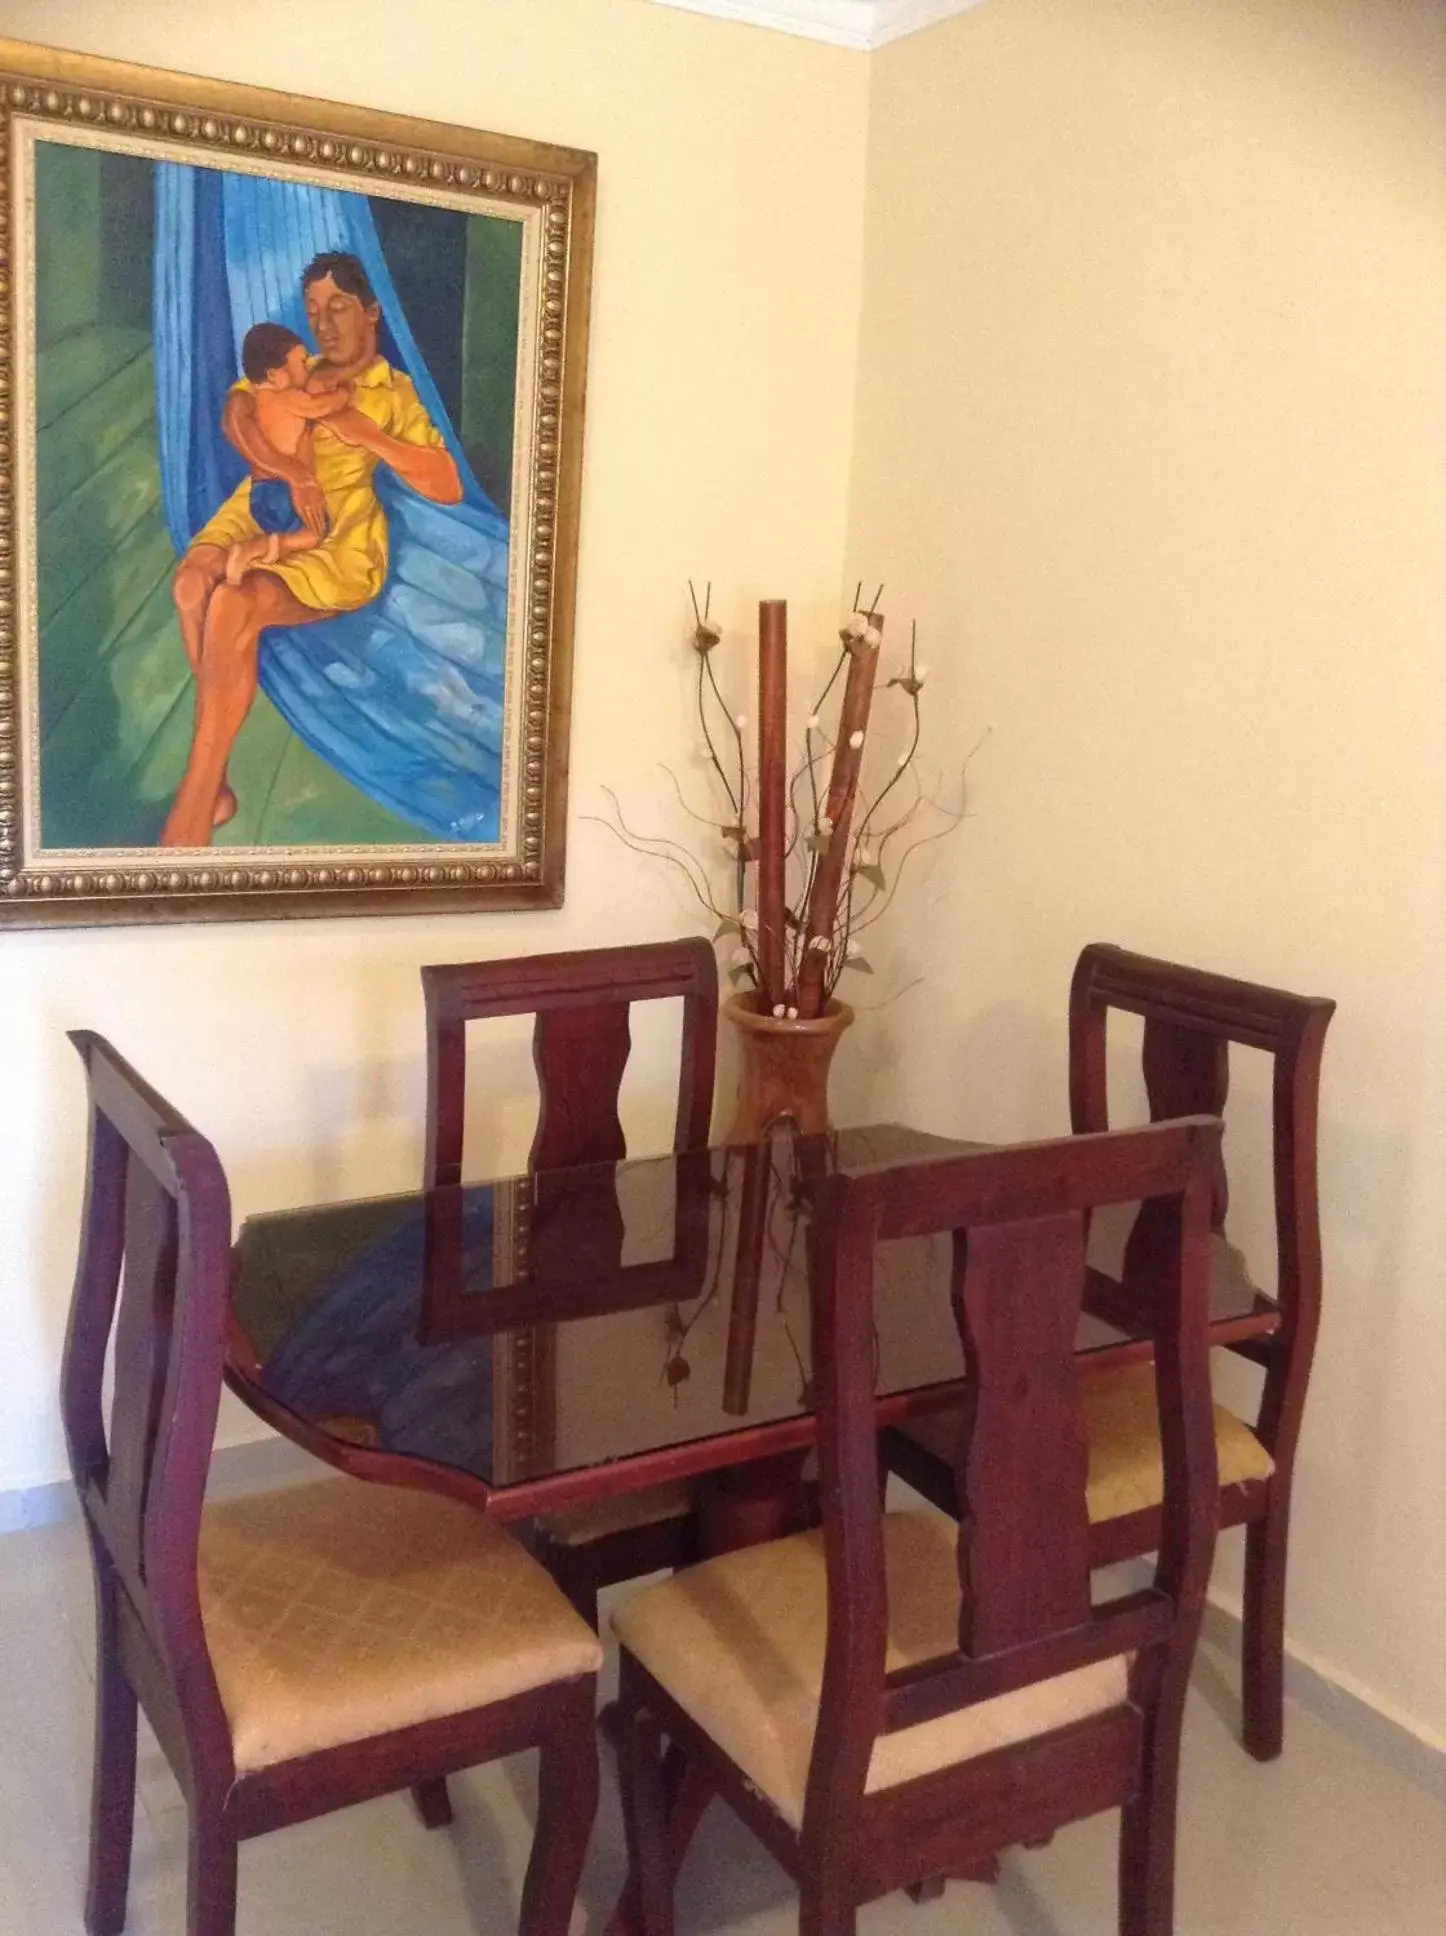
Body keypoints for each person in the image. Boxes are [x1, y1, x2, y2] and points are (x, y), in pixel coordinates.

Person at [161, 252, 462, 846]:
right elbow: (235, 410)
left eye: (339, 307)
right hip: (259, 502)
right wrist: (281, 467)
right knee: (190, 584)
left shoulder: (392, 391)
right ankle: (216, 780)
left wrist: (368, 434)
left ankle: (193, 809)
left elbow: (447, 485)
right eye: (314, 311)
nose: (323, 323)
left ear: (372, 312)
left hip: (333, 533)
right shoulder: (296, 371)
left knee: (231, 603)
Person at [221, 322, 354, 586]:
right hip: (281, 491)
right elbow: (323, 406)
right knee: (317, 533)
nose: (307, 368)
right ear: (273, 375)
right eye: (302, 363)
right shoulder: (286, 398)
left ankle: (263, 551)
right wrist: (344, 391)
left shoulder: (259, 402)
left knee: (308, 533)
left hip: (262, 494)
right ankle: (256, 549)